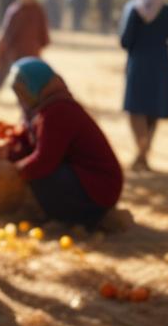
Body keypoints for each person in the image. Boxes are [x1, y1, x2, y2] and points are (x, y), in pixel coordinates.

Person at [7, 58, 123, 228]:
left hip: (99, 190)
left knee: (42, 174)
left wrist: (13, 170)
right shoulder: (41, 107)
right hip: (82, 180)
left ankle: (78, 219)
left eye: (22, 92)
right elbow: (27, 137)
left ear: (35, 86)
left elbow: (44, 161)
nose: (21, 98)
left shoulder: (58, 110)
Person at [118, 0, 168, 171]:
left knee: (135, 108)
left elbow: (125, 41)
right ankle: (144, 153)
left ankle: (141, 152)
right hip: (160, 64)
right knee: (153, 109)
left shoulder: (135, 10)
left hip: (138, 64)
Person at [0, 0, 50, 100]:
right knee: (3, 72)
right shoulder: (14, 10)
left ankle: (31, 99)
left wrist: (43, 42)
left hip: (32, 49)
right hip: (14, 50)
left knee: (31, 76)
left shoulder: (37, 10)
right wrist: (5, 46)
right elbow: (7, 30)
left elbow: (43, 28)